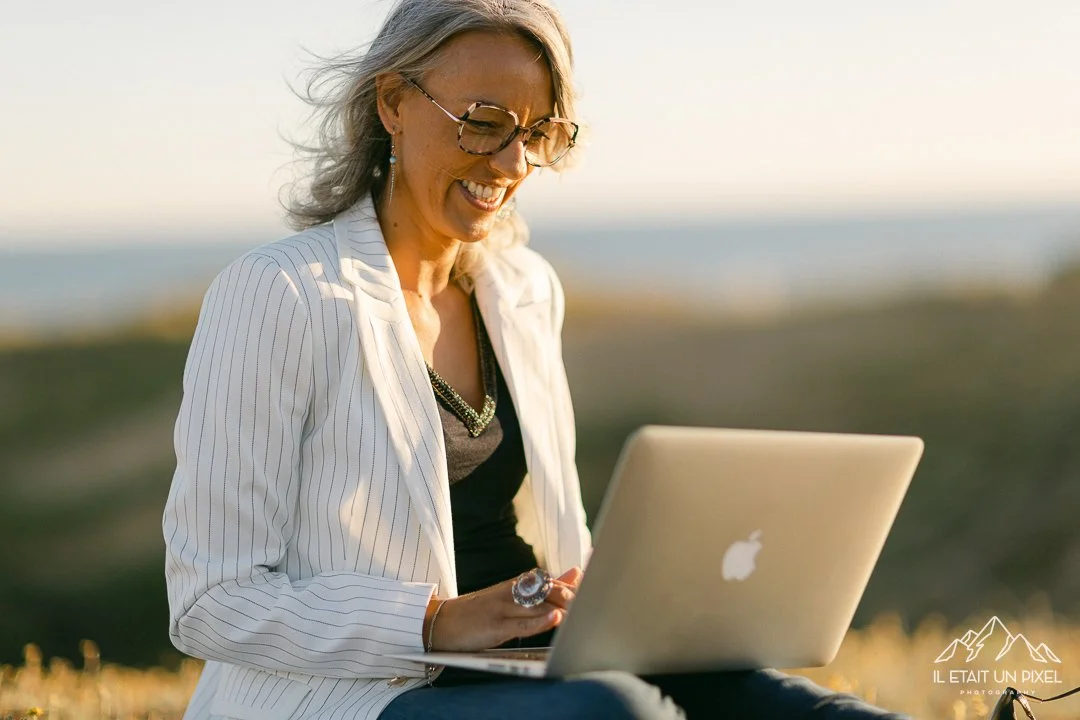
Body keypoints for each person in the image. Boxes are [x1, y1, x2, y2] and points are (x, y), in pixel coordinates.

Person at [162, 1, 911, 717]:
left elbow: (562, 535)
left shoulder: (523, 290)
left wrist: (616, 616)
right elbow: (211, 601)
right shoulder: (279, 293)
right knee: (614, 711)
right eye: (484, 123)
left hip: (527, 663)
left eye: (540, 132)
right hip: (358, 697)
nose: (514, 162)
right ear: (392, 103)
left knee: (781, 704)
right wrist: (435, 622)